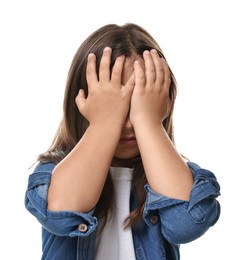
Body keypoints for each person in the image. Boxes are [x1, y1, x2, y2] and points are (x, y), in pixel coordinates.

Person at [25, 23, 221, 260]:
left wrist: (148, 122)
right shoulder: (55, 172)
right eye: (114, 105)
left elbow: (187, 223)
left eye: (139, 104)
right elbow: (61, 213)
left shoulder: (173, 176)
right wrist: (104, 124)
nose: (128, 123)